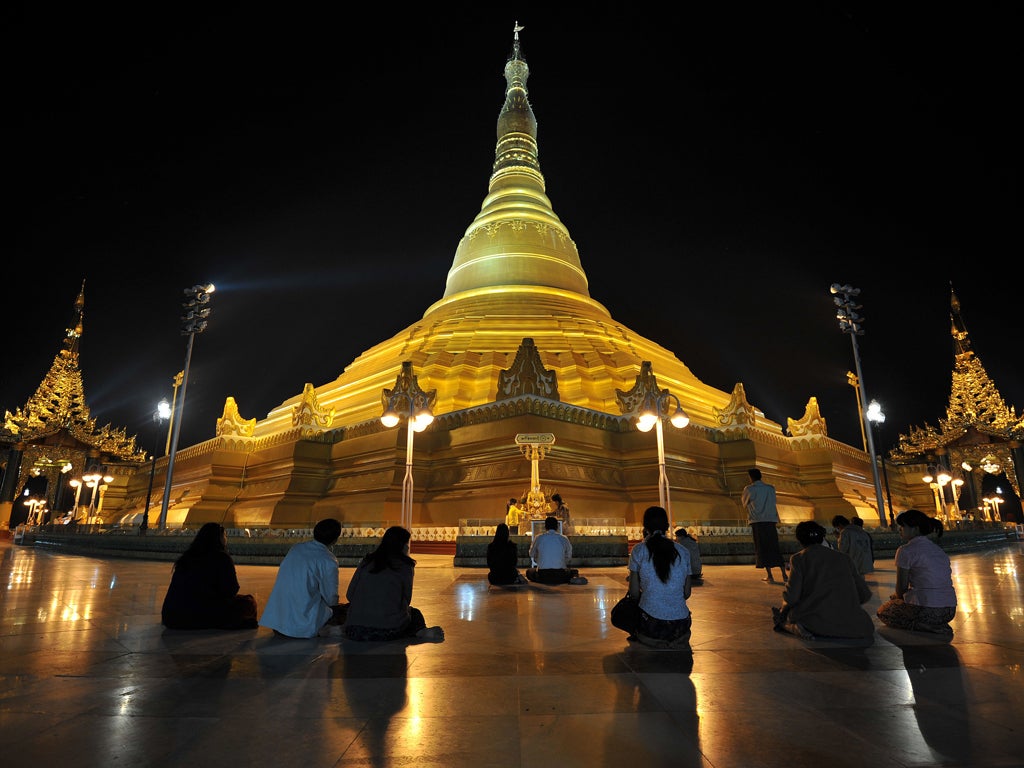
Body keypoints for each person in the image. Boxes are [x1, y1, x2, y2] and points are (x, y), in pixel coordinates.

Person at [771, 521, 874, 641]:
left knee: (785, 617)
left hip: (817, 621)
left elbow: (792, 597)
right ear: (822, 538)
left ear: (799, 540)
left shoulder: (799, 559)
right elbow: (864, 594)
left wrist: (783, 610)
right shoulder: (844, 558)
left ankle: (793, 627)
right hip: (856, 626)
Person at [343, 525, 444, 642]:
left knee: (347, 609)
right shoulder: (405, 565)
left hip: (354, 630)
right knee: (414, 613)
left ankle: (338, 629)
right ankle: (420, 631)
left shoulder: (367, 561)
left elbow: (350, 595)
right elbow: (406, 599)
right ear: (402, 545)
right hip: (387, 630)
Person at [259, 518, 348, 638]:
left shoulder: (296, 548)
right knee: (345, 611)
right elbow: (331, 597)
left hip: (278, 622)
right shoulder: (328, 559)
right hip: (302, 625)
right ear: (335, 539)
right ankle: (323, 629)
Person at [618, 506, 692, 648]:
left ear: (645, 527)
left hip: (651, 627)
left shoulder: (639, 550)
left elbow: (633, 594)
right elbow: (686, 593)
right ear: (667, 526)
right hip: (680, 628)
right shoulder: (683, 551)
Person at [161, 522, 258, 630]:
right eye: (224, 535)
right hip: (198, 615)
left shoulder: (187, 557)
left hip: (171, 616)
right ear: (219, 538)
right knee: (248, 602)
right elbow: (231, 590)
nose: (226, 539)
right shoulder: (221, 557)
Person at [877, 509, 957, 638]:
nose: (900, 530)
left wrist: (897, 597)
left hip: (929, 610)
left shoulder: (905, 550)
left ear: (915, 529)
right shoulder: (937, 549)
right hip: (949, 610)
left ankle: (924, 626)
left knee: (884, 612)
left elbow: (901, 588)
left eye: (903, 526)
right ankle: (935, 624)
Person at [741, 468, 788, 583]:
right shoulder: (771, 488)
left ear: (751, 477)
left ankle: (770, 575)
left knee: (762, 548)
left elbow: (744, 503)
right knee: (774, 547)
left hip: (758, 521)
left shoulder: (749, 489)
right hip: (771, 521)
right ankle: (784, 575)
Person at [526, 515, 582, 584]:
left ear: (545, 527)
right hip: (560, 574)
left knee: (529, 572)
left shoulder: (538, 538)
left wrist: (537, 559)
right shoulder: (564, 539)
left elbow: (531, 554)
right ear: (557, 527)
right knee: (574, 571)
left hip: (543, 575)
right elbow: (569, 556)